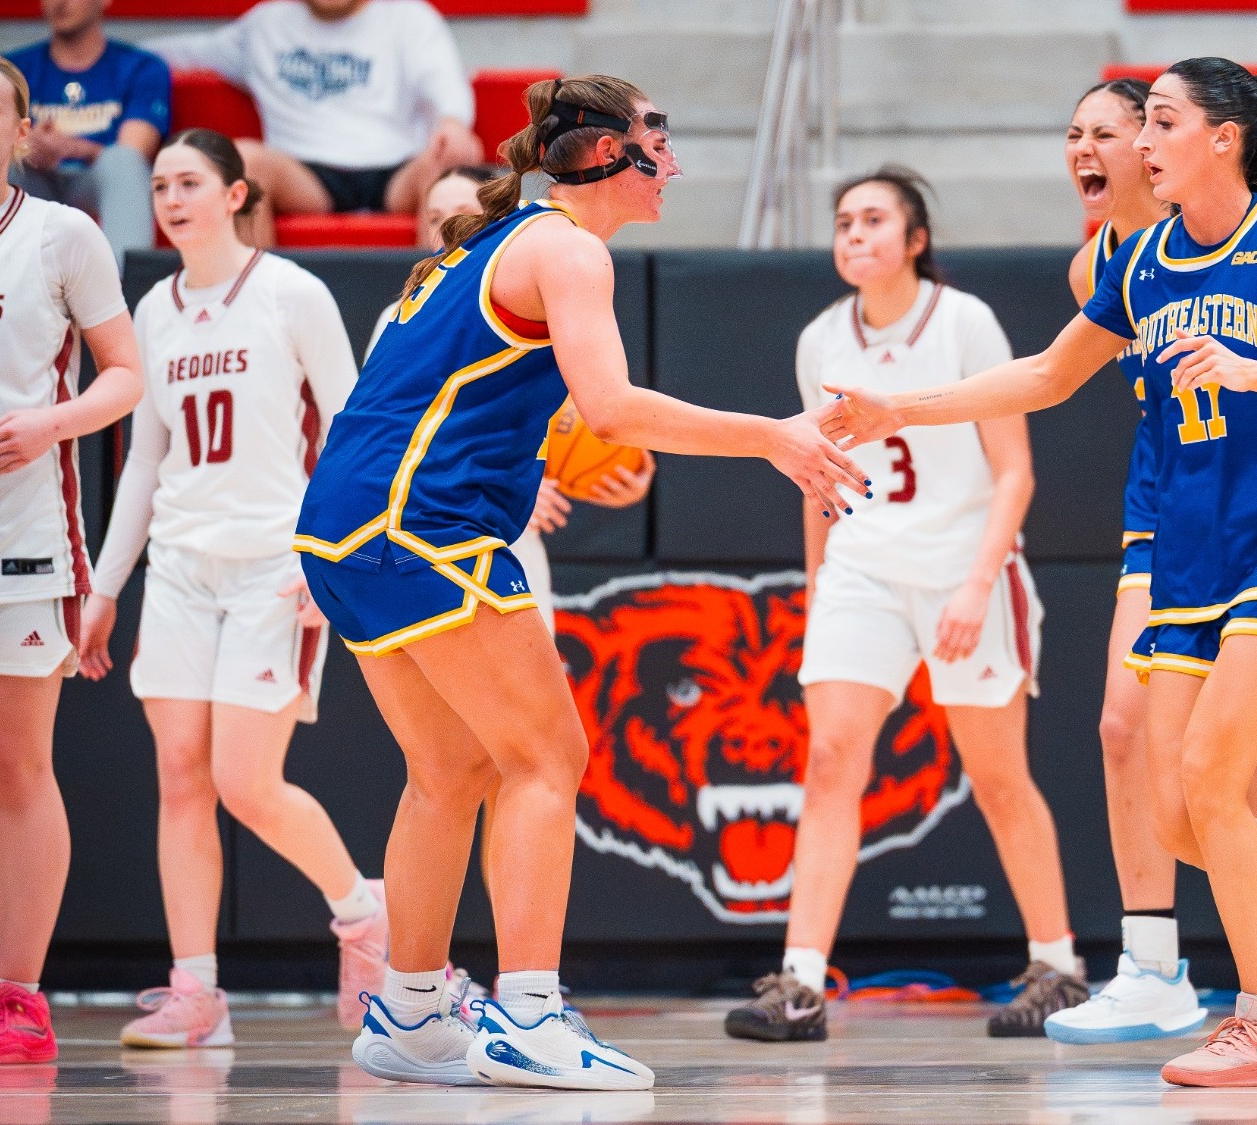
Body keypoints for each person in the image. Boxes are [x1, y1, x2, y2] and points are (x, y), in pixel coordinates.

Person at [823, 57, 1257, 1088]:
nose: (1134, 145)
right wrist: (895, 409)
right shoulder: (1136, 265)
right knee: (1178, 807)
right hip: (1188, 545)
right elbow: (1045, 376)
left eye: (1156, 124)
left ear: (1219, 137)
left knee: (1217, 779)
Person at [293, 74, 865, 1090]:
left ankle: (413, 1014)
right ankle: (525, 1018)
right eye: (661, 138)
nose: (674, 164)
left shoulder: (491, 242)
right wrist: (771, 437)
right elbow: (612, 409)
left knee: (449, 773)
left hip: (343, 529)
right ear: (607, 153)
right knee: (548, 755)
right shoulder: (564, 247)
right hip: (422, 528)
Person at [1044, 78, 1257, 1056]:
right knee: (1170, 774)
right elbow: (1053, 379)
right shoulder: (1111, 265)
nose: (1091, 149)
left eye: (1113, 129)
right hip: (1173, 515)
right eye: (1079, 135)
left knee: (1217, 772)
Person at [723, 167, 1085, 1044]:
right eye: (844, 220)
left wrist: (974, 584)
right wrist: (818, 592)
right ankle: (801, 981)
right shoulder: (819, 339)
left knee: (998, 775)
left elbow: (1016, 472)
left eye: (874, 219)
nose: (854, 233)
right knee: (831, 762)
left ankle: (1060, 964)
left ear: (915, 239)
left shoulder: (964, 321)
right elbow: (817, 479)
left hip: (966, 564)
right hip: (862, 568)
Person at [74, 128, 392, 1048]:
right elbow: (143, 459)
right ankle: (196, 990)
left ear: (237, 194)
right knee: (180, 779)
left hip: (273, 564)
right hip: (178, 565)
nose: (170, 199)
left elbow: (353, 427)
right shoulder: (154, 308)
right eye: (162, 184)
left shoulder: (293, 292)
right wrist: (106, 585)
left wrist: (326, 556)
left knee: (246, 781)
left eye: (190, 182)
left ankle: (361, 913)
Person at [0, 53, 144, 1065]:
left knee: (15, 762)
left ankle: (17, 999)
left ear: (21, 130)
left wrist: (47, 424)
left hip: (20, 535)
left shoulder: (63, 235)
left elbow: (126, 378)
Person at [368, 164, 656, 633]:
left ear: (501, 219)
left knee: (531, 705)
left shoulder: (543, 299)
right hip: (422, 536)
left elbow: (587, 410)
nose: (444, 228)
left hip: (508, 539)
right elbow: (384, 443)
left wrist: (618, 466)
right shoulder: (399, 317)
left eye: (460, 212)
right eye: (433, 215)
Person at [147, 0, 483, 247]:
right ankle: (249, 313)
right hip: (305, 178)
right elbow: (182, 53)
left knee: (452, 161)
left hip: (397, 172)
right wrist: (113, 63)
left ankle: (436, 313)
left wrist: (452, 124)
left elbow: (447, 89)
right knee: (244, 159)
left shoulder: (409, 16)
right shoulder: (265, 25)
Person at [5, 0, 169, 268]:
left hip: (96, 180)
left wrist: (72, 147)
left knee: (123, 163)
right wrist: (27, 144)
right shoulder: (12, 69)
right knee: (8, 158)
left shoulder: (140, 67)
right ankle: (11, 288)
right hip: (36, 179)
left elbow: (135, 150)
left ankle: (123, 292)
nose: (60, 2)